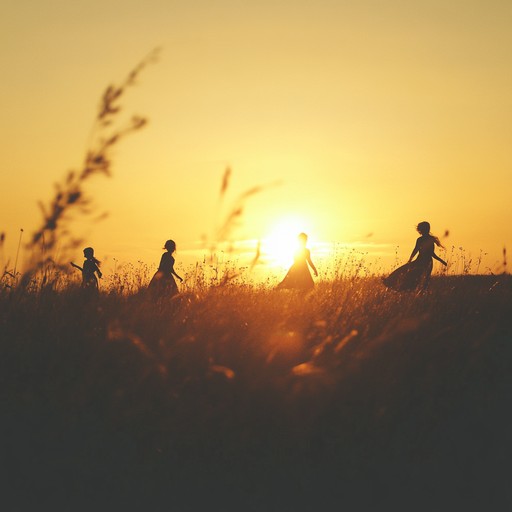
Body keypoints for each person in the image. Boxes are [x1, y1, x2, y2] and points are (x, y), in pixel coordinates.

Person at [383, 221, 447, 292]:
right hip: (422, 261)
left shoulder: (425, 239)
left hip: (424, 262)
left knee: (422, 278)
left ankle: (415, 291)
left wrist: (441, 261)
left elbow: (429, 252)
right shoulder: (424, 239)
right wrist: (410, 259)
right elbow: (418, 250)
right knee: (410, 274)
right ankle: (391, 282)